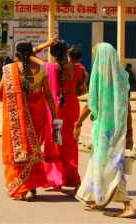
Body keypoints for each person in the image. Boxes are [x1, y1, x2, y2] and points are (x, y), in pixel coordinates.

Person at [74, 43, 136, 218]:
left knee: (113, 167)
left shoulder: (99, 79)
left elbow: (90, 104)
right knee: (101, 164)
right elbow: (127, 107)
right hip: (117, 131)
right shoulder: (123, 78)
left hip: (104, 132)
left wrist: (78, 123)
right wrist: (129, 133)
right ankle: (99, 199)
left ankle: (128, 205)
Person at [0, 42, 62, 200]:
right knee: (33, 151)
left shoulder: (9, 71)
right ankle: (32, 186)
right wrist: (54, 116)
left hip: (18, 119)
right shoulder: (41, 70)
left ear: (17, 55)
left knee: (19, 151)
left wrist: (15, 102)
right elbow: (48, 96)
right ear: (31, 53)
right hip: (37, 116)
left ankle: (22, 187)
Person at [42, 40, 85, 193]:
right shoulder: (78, 69)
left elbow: (28, 57)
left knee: (56, 143)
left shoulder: (49, 68)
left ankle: (56, 179)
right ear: (67, 53)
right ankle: (72, 178)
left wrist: (46, 45)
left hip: (56, 110)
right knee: (71, 145)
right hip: (72, 108)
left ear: (53, 55)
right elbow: (82, 89)